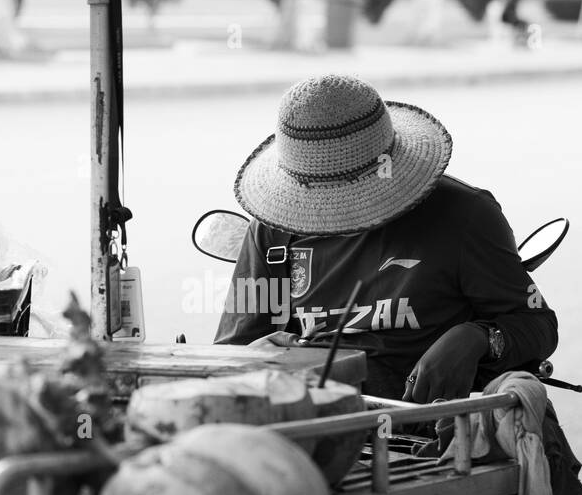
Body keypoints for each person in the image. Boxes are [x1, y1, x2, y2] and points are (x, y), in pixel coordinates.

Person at [214, 74, 558, 405]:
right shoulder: (273, 232)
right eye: (320, 201)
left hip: (424, 427)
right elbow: (230, 355)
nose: (335, 215)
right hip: (306, 419)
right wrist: (281, 352)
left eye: (350, 195)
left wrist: (477, 337)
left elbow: (537, 325)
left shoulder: (463, 215)